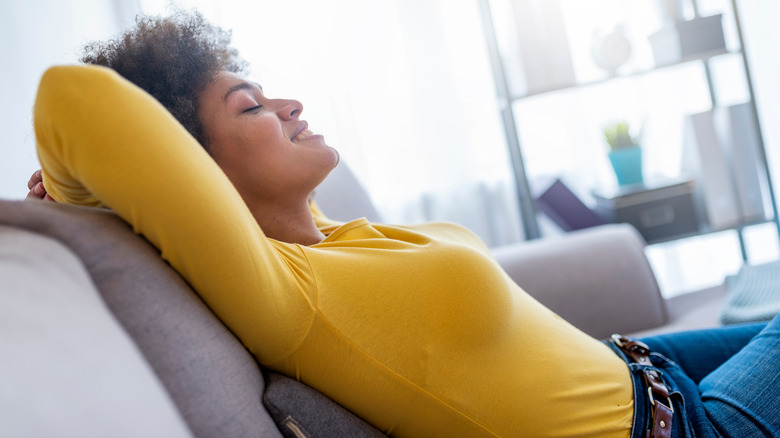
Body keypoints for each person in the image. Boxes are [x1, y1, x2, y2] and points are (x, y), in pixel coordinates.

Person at [26, 10, 780, 438]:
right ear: (198, 178)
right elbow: (73, 97)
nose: (288, 105)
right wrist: (87, 194)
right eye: (250, 108)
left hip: (645, 368)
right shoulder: (285, 293)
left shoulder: (324, 236)